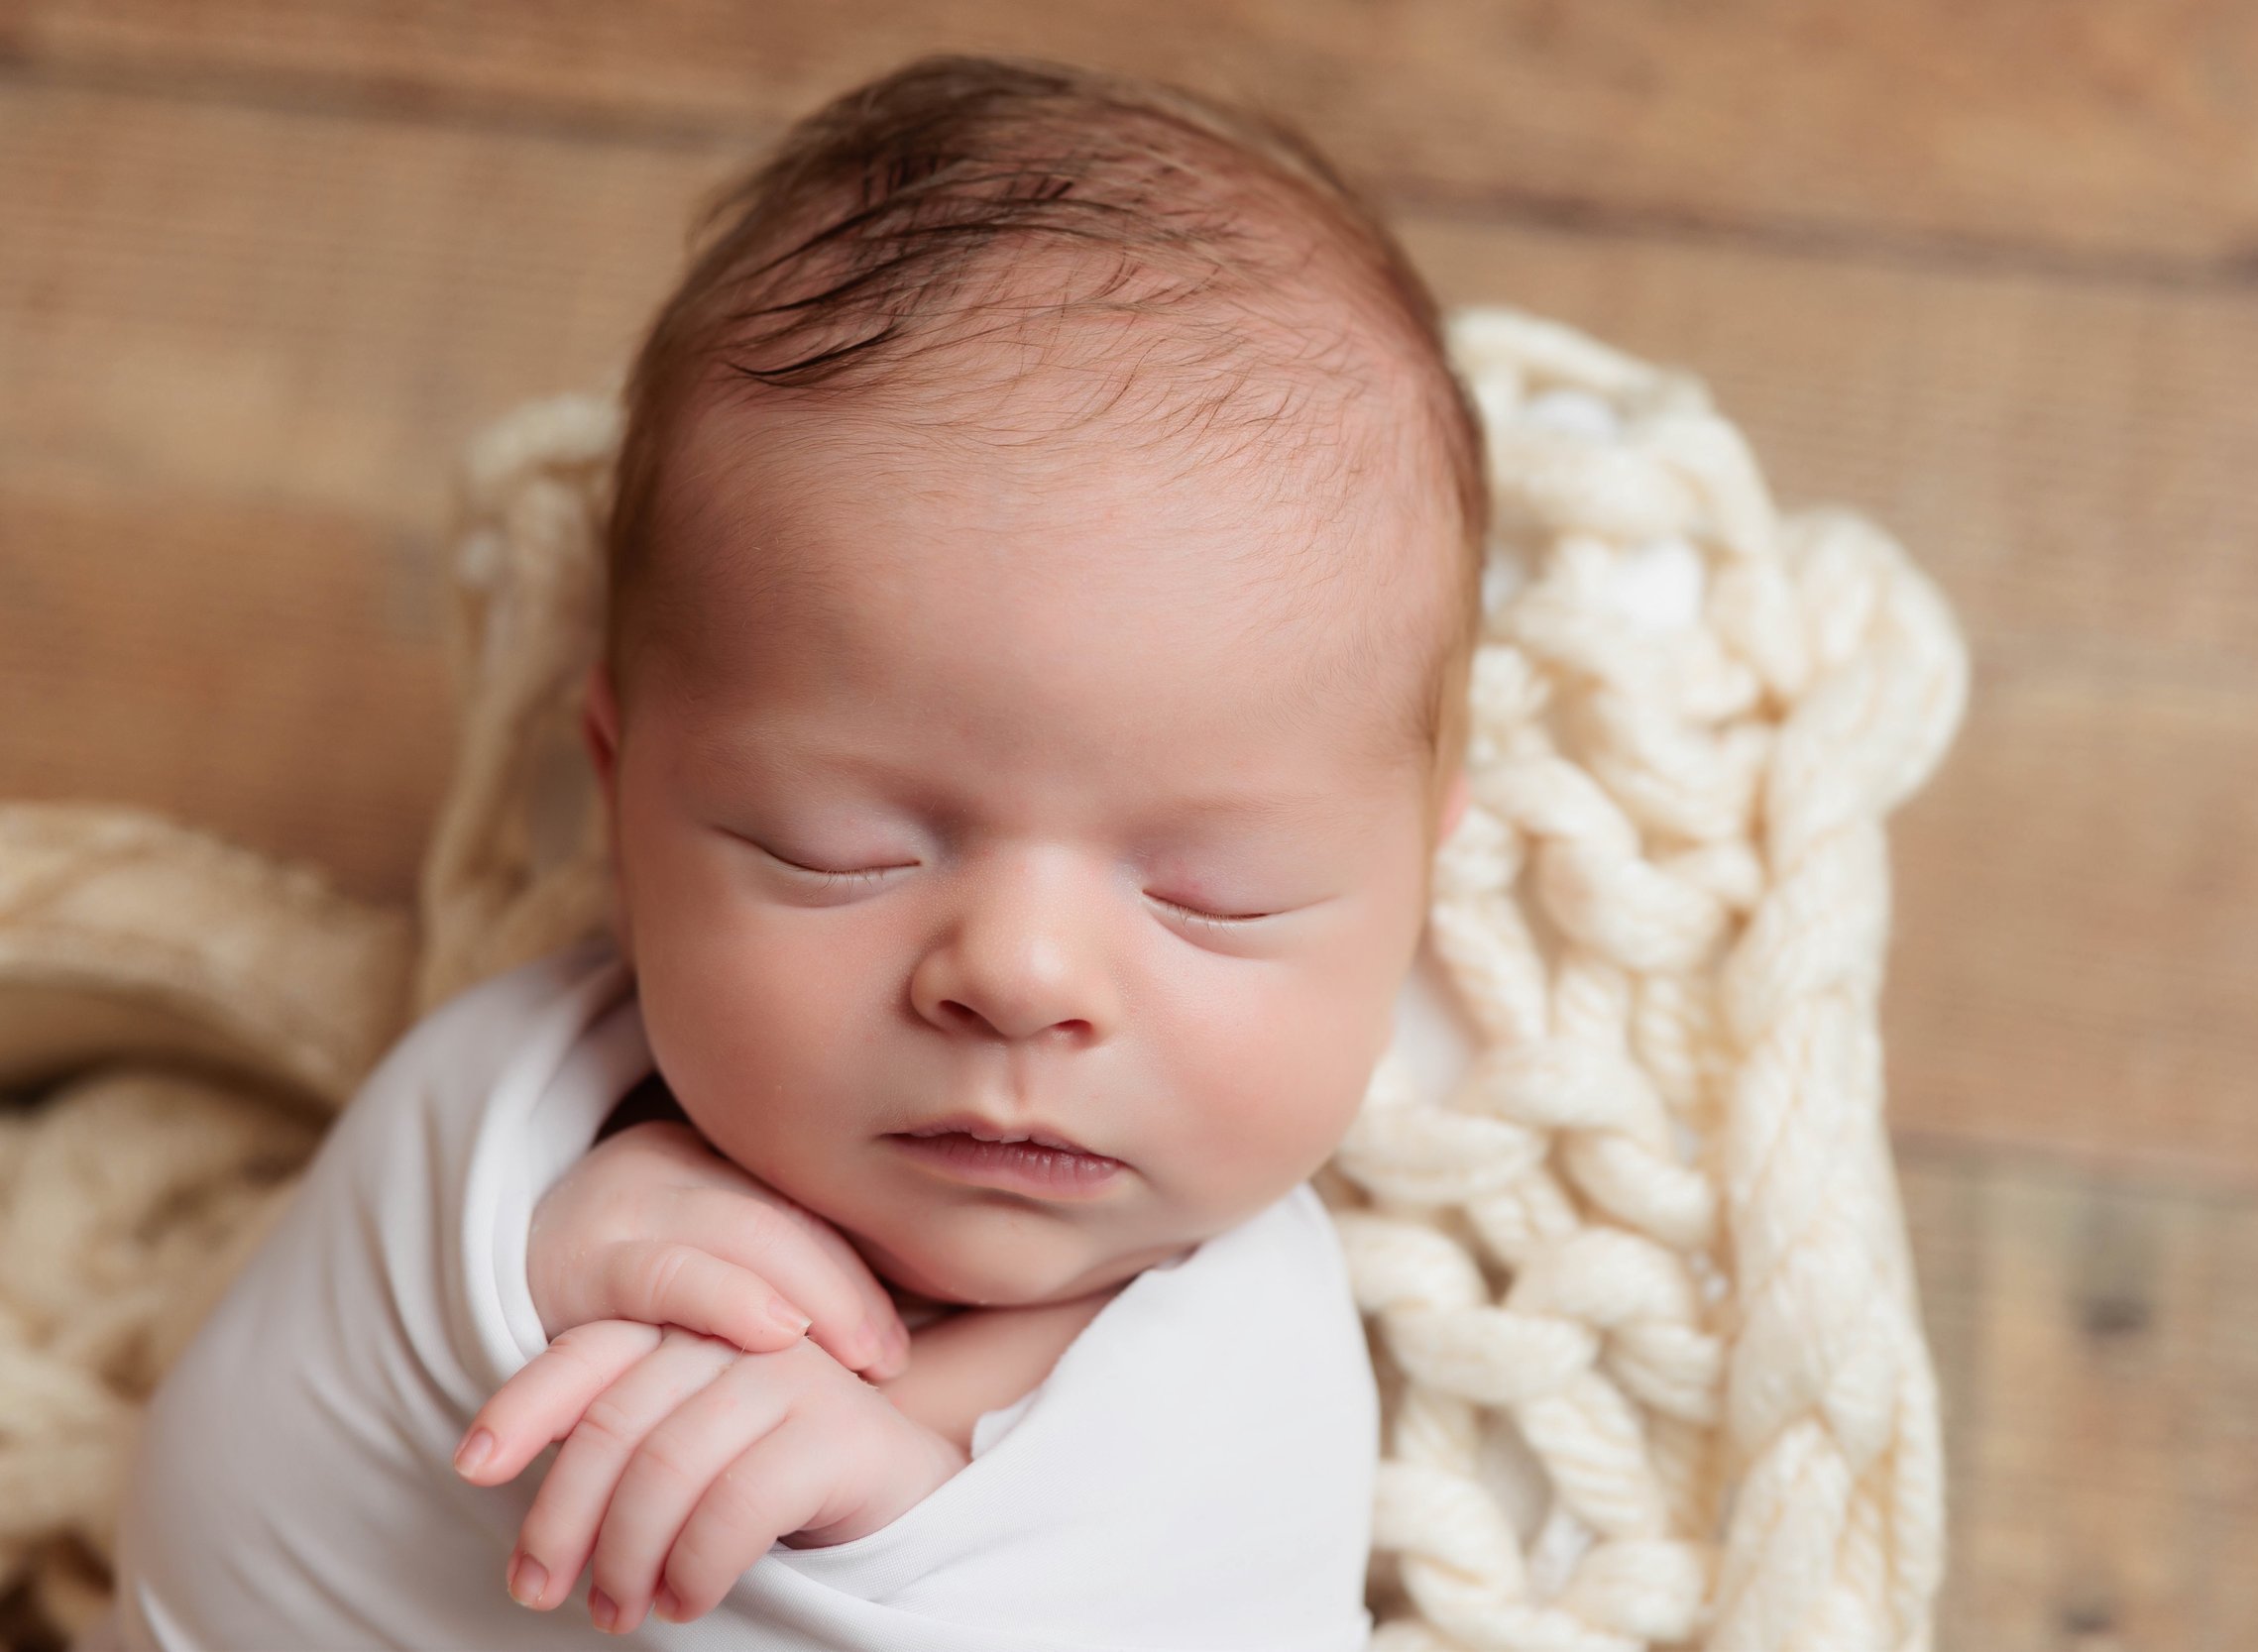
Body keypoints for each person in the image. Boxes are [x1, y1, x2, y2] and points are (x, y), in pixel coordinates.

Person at [97, 50, 1487, 1652]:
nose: (1021, 978)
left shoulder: (1261, 1372)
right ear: (621, 797)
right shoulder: (519, 1113)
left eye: (1212, 894)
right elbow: (263, 1458)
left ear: (1411, 892)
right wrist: (532, 1265)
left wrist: (897, 1506)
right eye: (844, 851)